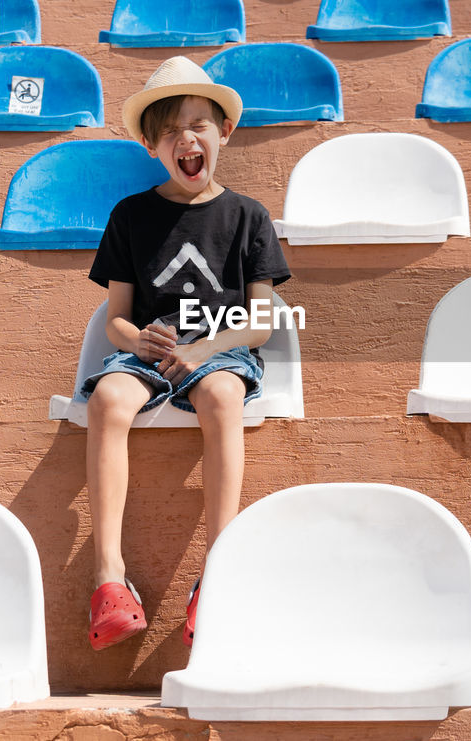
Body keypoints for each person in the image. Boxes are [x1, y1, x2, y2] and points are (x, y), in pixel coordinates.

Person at [82, 56, 290, 650]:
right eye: (170, 130)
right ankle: (109, 578)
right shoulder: (130, 216)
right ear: (152, 145)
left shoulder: (248, 216)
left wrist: (205, 350)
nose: (186, 139)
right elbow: (117, 316)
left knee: (224, 395)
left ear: (223, 133)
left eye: (198, 124)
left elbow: (261, 322)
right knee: (109, 400)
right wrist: (135, 339)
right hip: (151, 352)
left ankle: (218, 571)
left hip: (220, 348)